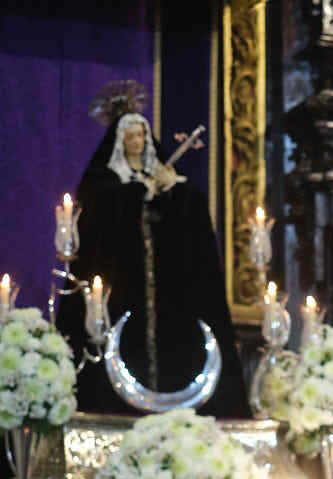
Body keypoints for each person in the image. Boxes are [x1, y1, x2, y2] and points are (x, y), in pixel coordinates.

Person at [61, 81, 245, 417]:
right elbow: (100, 216)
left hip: (168, 297)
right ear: (120, 142)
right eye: (131, 136)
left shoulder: (163, 174)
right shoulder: (104, 183)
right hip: (120, 292)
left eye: (141, 136)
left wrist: (171, 190)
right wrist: (134, 194)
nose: (137, 142)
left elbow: (190, 216)